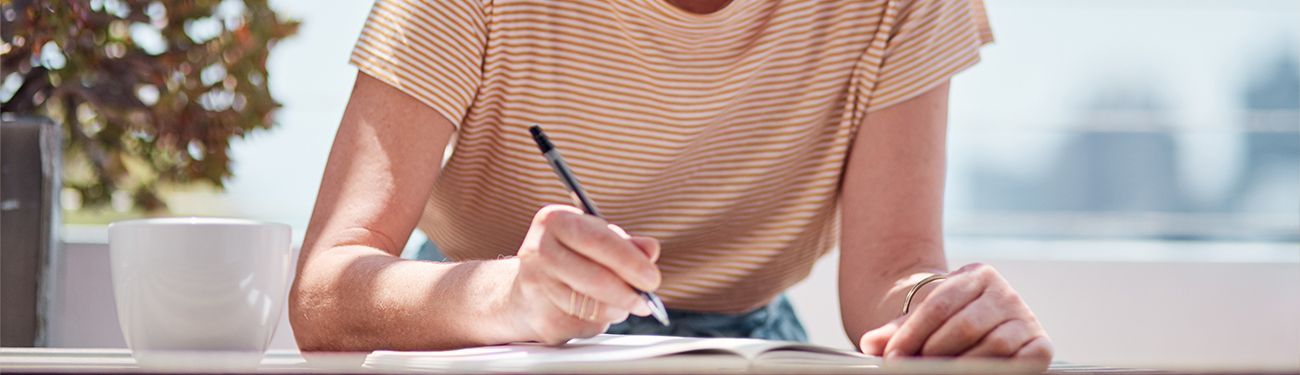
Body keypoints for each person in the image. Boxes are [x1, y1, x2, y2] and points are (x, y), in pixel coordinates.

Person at [289, 0, 1053, 363]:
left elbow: (890, 275)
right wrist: (511, 297)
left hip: (747, 346)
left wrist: (938, 308)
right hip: (480, 332)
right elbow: (324, 291)